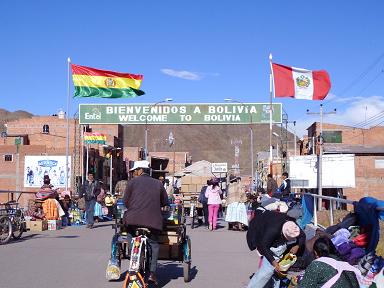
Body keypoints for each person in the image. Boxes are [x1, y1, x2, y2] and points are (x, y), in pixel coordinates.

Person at [106, 160, 169, 284]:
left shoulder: (132, 183)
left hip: (133, 220)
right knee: (154, 244)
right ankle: (152, 273)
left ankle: (133, 254)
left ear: (140, 170)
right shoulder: (158, 184)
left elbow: (125, 202)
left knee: (131, 236)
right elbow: (165, 203)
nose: (134, 173)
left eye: (135, 171)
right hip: (152, 222)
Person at [246, 208, 306, 288]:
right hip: (259, 229)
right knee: (268, 270)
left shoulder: (292, 225)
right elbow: (264, 247)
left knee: (275, 270)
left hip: (273, 229)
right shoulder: (272, 230)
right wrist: (274, 263)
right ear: (283, 233)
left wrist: (297, 246)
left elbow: (302, 236)